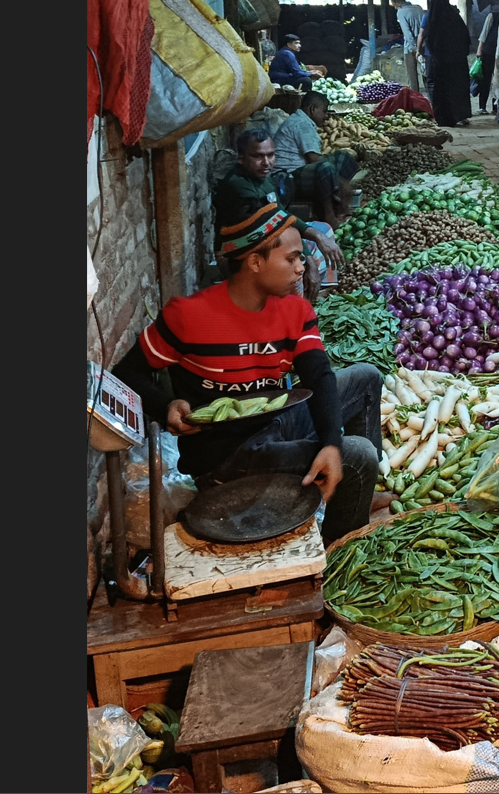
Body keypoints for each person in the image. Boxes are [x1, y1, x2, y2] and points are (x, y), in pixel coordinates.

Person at [112, 204, 387, 544]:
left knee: (366, 378)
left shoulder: (294, 310)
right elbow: (126, 373)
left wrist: (330, 443)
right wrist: (166, 405)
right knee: (358, 454)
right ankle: (337, 548)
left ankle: (355, 492)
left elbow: (319, 376)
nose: (301, 267)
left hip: (276, 422)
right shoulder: (188, 316)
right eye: (292, 258)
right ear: (255, 262)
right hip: (227, 457)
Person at [213, 128, 344, 297]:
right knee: (291, 256)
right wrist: (313, 247)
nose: (266, 162)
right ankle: (295, 303)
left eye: (270, 155)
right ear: (242, 158)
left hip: (265, 239)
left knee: (324, 229)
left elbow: (283, 217)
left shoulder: (264, 179)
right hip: (234, 256)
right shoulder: (237, 184)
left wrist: (312, 249)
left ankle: (317, 292)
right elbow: (277, 223)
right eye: (258, 156)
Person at [271, 91, 360, 232]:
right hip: (286, 179)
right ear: (312, 109)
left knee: (343, 157)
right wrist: (342, 182)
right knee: (324, 168)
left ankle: (338, 203)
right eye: (324, 111)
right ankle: (328, 215)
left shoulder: (303, 121)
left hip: (299, 171)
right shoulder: (302, 123)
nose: (326, 116)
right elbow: (313, 159)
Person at [422, 0, 473, 128]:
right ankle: (459, 115)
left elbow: (429, 41)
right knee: (456, 90)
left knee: (440, 91)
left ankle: (444, 118)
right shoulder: (455, 18)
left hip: (440, 64)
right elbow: (465, 39)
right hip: (457, 63)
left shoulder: (433, 19)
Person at [391, 0, 425, 94]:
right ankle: (430, 96)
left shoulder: (401, 12)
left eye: (394, 5)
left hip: (411, 47)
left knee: (412, 75)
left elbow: (407, 33)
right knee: (426, 72)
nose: (395, 8)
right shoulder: (418, 8)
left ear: (398, 2)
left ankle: (415, 97)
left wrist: (415, 48)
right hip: (424, 44)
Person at [475, 2, 499, 114]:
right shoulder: (492, 16)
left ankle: (495, 107)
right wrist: (479, 49)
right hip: (489, 52)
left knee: (498, 81)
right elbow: (484, 33)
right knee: (485, 80)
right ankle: (482, 106)